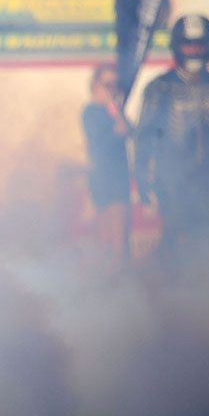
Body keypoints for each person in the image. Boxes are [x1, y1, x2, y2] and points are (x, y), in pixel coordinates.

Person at [134, 13, 209, 265]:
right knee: (179, 244)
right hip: (174, 182)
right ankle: (180, 286)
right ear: (177, 46)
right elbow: (144, 136)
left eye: (199, 44)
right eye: (188, 44)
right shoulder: (160, 88)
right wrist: (143, 178)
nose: (194, 50)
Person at [82, 63, 132, 267]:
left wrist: (116, 109)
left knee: (119, 237)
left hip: (118, 175)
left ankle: (118, 268)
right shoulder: (90, 111)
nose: (112, 89)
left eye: (115, 85)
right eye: (108, 85)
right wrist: (116, 116)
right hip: (101, 174)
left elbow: (127, 129)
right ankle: (105, 270)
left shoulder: (114, 111)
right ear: (96, 85)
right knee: (104, 228)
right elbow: (112, 135)